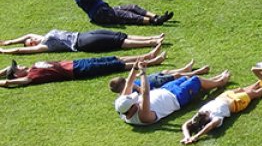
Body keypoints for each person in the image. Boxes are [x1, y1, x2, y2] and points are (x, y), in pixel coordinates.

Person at [114, 64, 232, 126]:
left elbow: (128, 84)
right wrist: (143, 73)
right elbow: (145, 93)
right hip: (177, 98)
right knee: (196, 80)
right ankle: (220, 82)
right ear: (130, 109)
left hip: (165, 90)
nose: (135, 101)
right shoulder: (143, 117)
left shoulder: (122, 109)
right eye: (133, 102)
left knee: (187, 77)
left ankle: (210, 80)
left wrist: (135, 67)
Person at [1, 47, 165, 89]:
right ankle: (152, 62)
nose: (20, 65)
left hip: (76, 63)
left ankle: (147, 56)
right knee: (115, 66)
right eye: (17, 67)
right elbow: (9, 83)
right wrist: (5, 81)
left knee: (113, 58)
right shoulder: (30, 78)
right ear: (17, 75)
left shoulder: (31, 67)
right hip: (76, 71)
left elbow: (8, 74)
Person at [180, 82, 262, 144]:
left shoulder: (200, 115)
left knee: (251, 86)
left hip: (223, 96)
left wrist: (187, 136)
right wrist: (197, 136)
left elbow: (185, 125)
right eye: (204, 114)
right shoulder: (216, 118)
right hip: (235, 102)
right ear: (206, 119)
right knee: (254, 93)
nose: (203, 112)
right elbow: (210, 126)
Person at [1, 29, 162, 55]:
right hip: (82, 43)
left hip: (83, 34)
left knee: (119, 34)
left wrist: (9, 41)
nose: (33, 40)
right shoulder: (44, 46)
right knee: (117, 42)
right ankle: (151, 43)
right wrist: (6, 51)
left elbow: (27, 34)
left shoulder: (42, 36)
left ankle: (152, 38)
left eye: (32, 39)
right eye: (31, 42)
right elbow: (21, 51)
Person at [107, 59, 210, 94]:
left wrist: (138, 75)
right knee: (176, 76)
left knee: (166, 71)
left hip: (150, 78)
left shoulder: (125, 89)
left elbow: (133, 79)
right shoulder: (128, 91)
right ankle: (198, 72)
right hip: (154, 84)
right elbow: (141, 91)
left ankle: (186, 69)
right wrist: (136, 87)